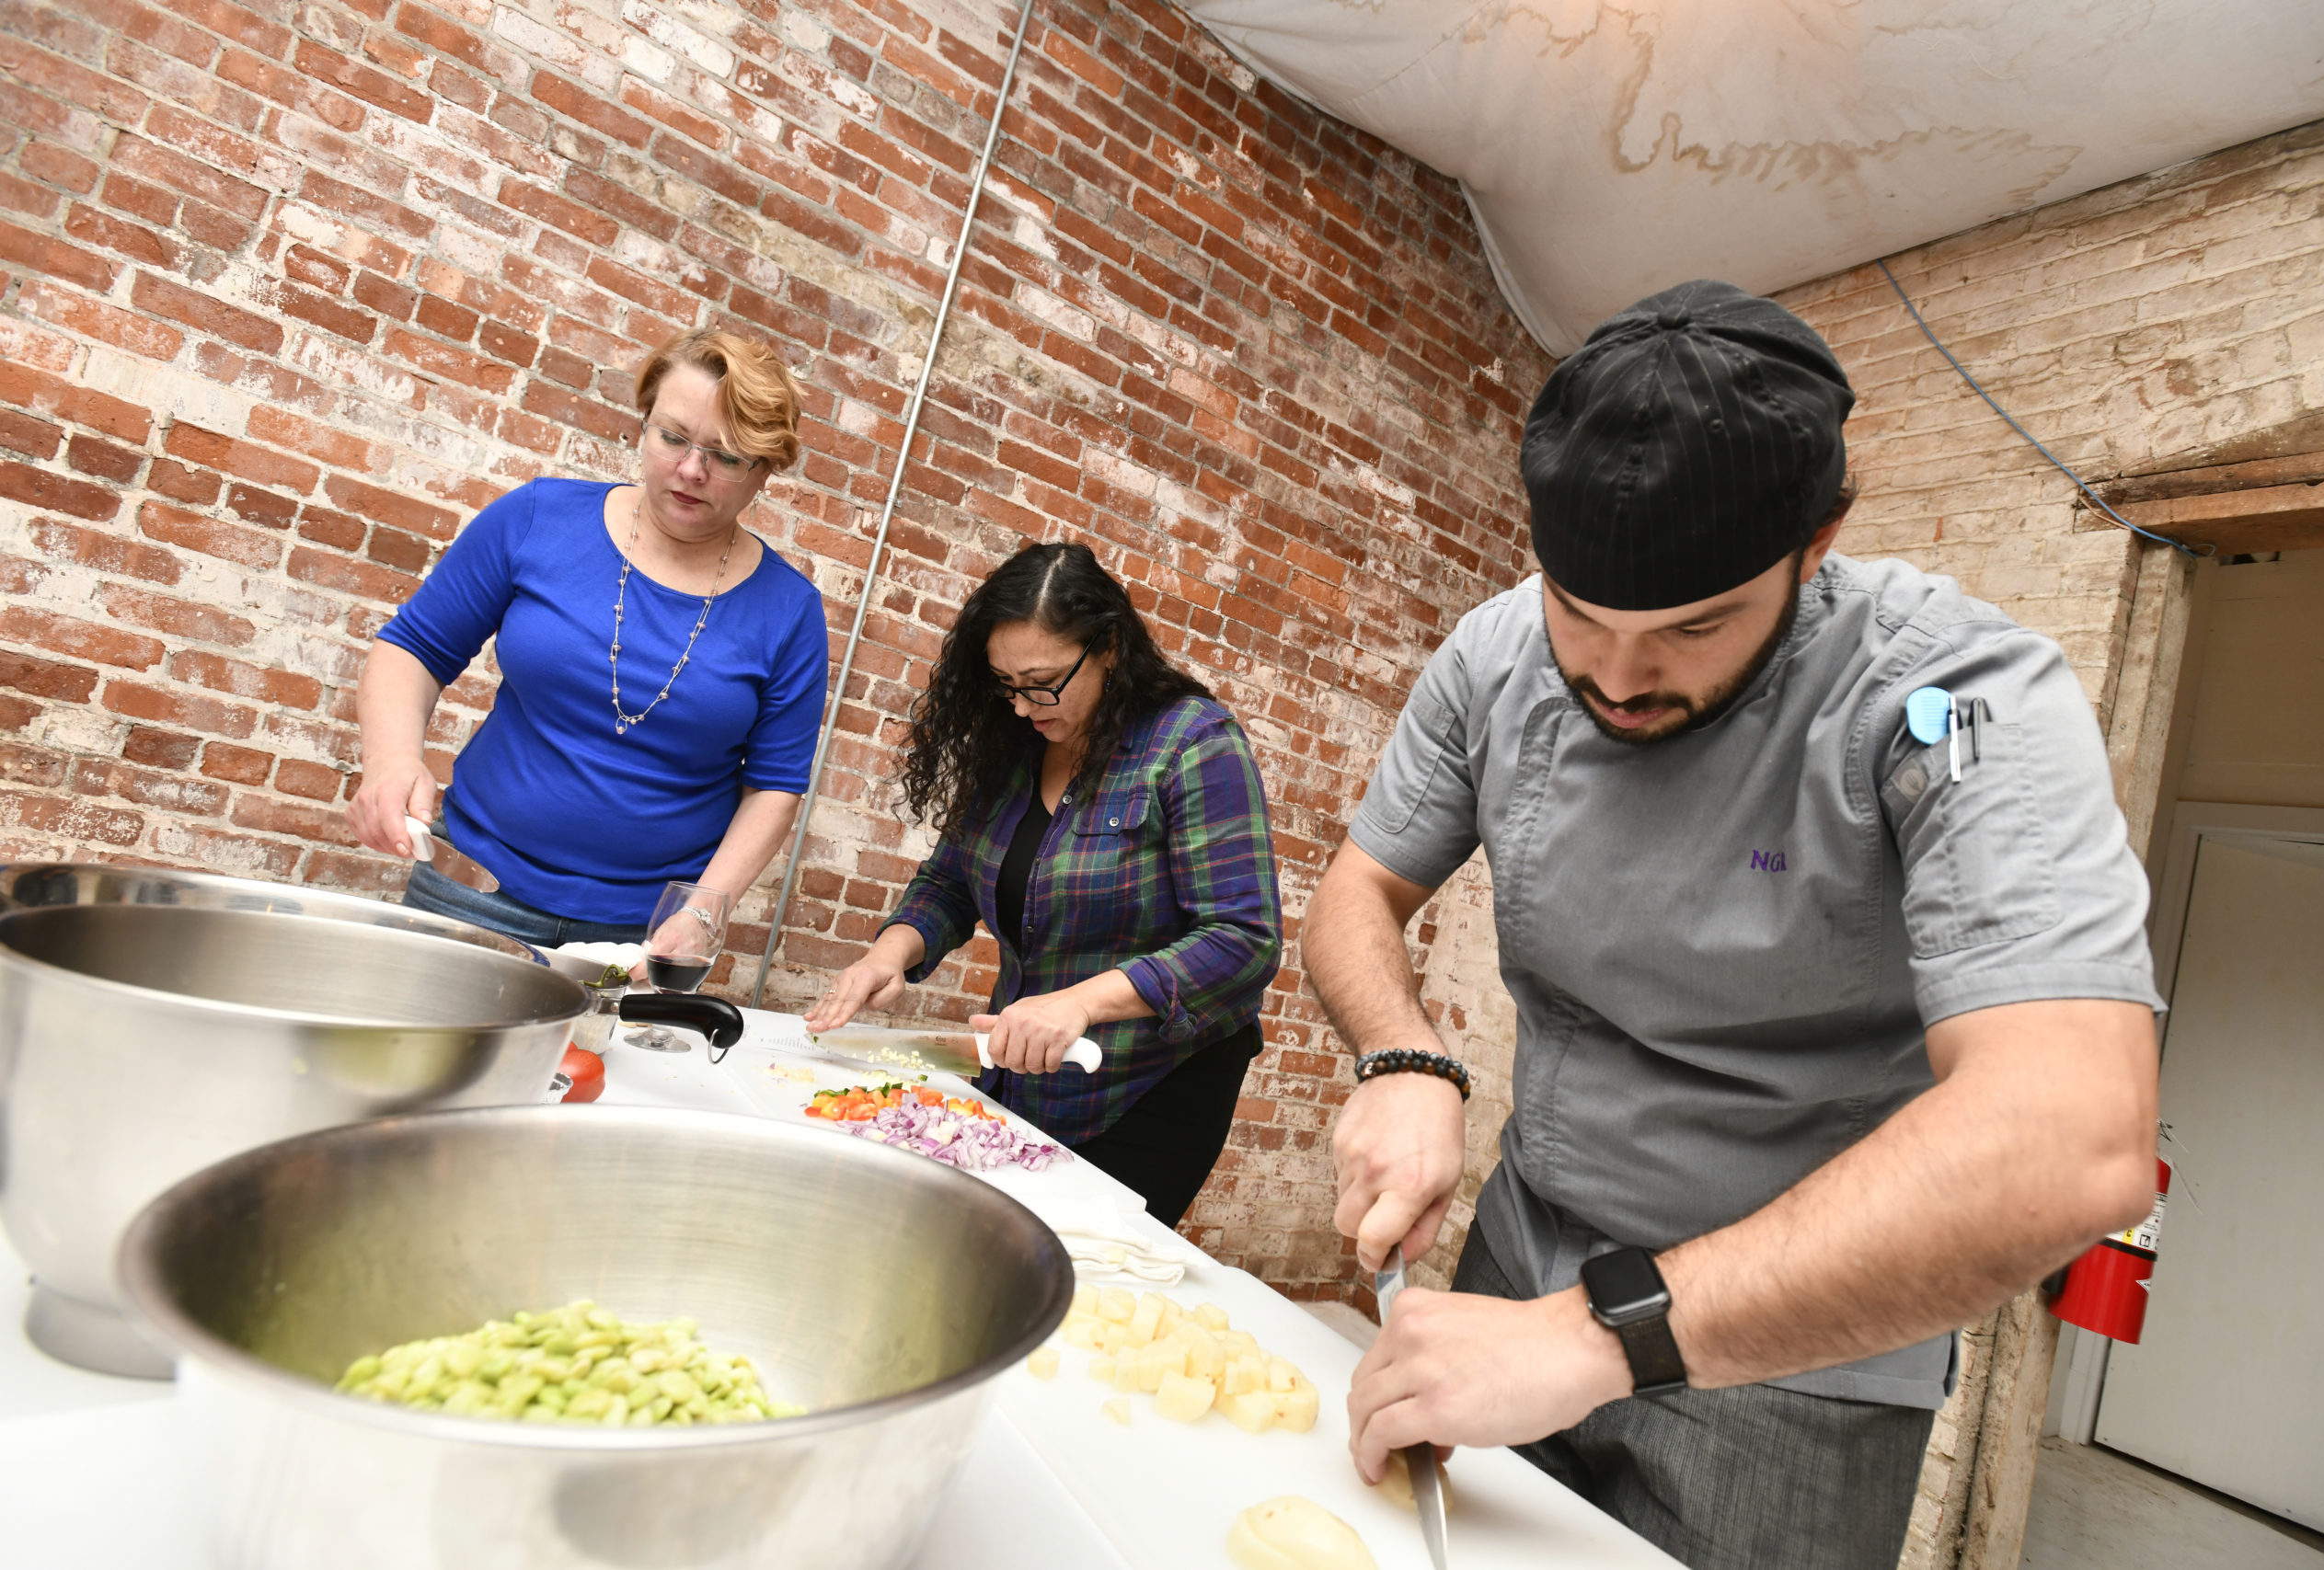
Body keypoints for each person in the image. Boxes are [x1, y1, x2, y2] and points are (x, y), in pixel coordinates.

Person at [1306, 281, 2162, 1570]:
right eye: (1579, 613)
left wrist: (1599, 1335)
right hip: (1522, 1249)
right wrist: (1402, 1051)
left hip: (1799, 1355)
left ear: (1817, 547)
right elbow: (1355, 893)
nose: (1616, 675)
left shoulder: (1952, 696)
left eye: (1693, 628)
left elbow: (2071, 1140)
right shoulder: (1494, 657)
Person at [806, 543, 1283, 1223]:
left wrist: (1081, 1003)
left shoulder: (1193, 743)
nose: (1025, 705)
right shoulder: (1013, 747)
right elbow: (949, 882)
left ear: (1110, 647)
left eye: (1044, 681)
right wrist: (890, 954)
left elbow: (1245, 940)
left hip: (1151, 1085)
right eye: (1007, 684)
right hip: (1029, 1070)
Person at [348, 328, 830, 952]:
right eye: (672, 436)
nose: (690, 469)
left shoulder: (789, 611)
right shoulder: (537, 517)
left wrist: (706, 909)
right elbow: (414, 647)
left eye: (727, 456)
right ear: (643, 423)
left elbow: (774, 786)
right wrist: (390, 759)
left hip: (638, 936)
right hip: (471, 888)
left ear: (764, 471)